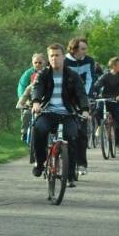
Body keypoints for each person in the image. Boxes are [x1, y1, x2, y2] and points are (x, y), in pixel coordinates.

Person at [31, 43, 89, 184]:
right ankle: (39, 162)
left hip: (68, 114)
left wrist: (85, 109)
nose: (54, 58)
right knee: (39, 128)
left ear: (63, 57)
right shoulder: (43, 74)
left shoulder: (72, 75)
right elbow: (37, 88)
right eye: (51, 55)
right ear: (48, 58)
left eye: (57, 55)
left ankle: (70, 175)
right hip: (47, 112)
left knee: (72, 136)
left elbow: (81, 93)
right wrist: (36, 102)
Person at [65, 37, 97, 175]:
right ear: (74, 49)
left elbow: (90, 78)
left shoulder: (89, 60)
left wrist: (86, 97)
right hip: (65, 98)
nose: (85, 51)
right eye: (82, 48)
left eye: (86, 48)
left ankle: (82, 164)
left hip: (82, 98)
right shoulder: (64, 61)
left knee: (82, 133)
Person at [92, 56, 119, 149]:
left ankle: (117, 144)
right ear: (113, 66)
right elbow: (97, 84)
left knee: (118, 122)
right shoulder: (105, 75)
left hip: (117, 100)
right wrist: (95, 93)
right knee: (98, 110)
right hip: (106, 99)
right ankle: (99, 126)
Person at [17, 53, 46, 142]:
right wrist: (23, 101)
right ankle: (24, 132)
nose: (37, 64)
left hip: (44, 99)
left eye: (40, 62)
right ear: (32, 63)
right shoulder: (28, 73)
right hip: (30, 99)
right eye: (35, 62)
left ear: (44, 62)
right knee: (26, 113)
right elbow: (22, 88)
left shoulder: (48, 72)